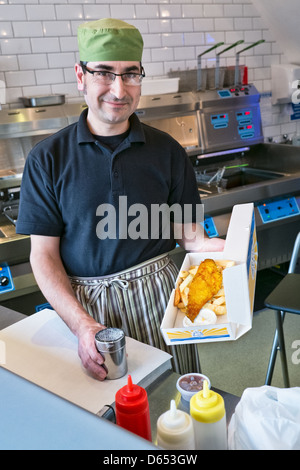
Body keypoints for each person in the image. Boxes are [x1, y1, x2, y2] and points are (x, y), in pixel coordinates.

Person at [16, 18, 225, 381]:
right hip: (87, 311)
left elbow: (189, 234)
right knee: (107, 419)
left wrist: (225, 253)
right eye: (104, 73)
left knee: (177, 400)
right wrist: (82, 326)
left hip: (160, 301)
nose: (119, 89)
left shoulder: (168, 151)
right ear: (80, 76)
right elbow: (44, 255)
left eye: (130, 74)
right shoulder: (47, 158)